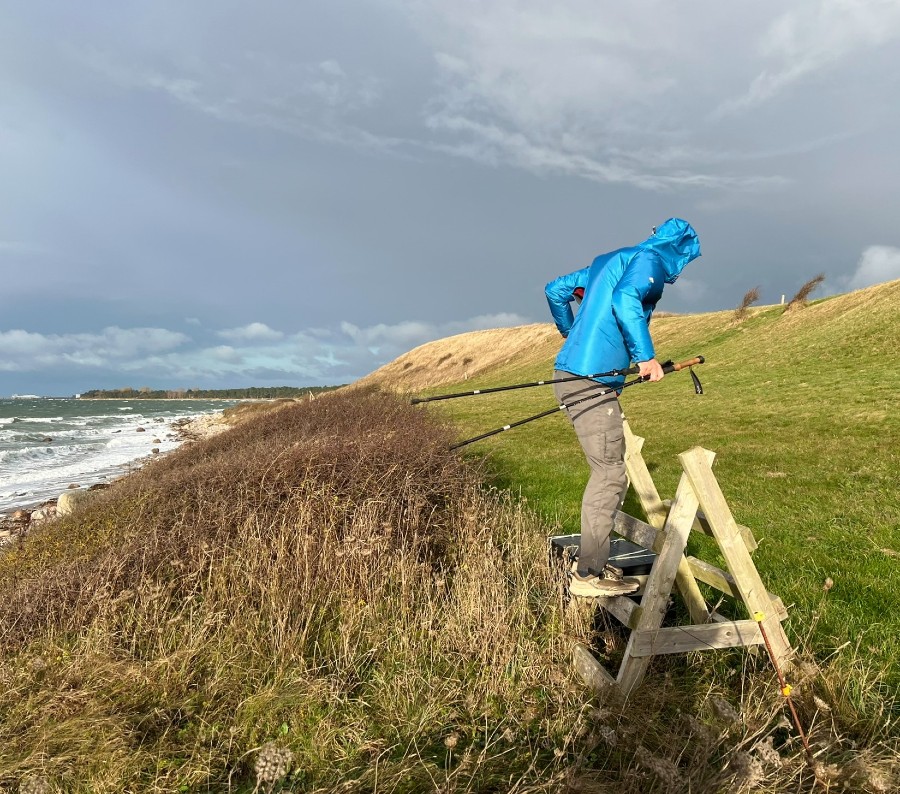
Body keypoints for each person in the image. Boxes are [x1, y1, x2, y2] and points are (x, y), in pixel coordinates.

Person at [545, 218, 701, 597]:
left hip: (570, 374)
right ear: (679, 251)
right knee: (611, 476)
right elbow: (625, 299)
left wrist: (572, 332)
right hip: (592, 381)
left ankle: (593, 565)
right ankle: (588, 575)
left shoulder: (608, 261)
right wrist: (645, 357)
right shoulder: (651, 262)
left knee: (609, 469)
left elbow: (556, 289)